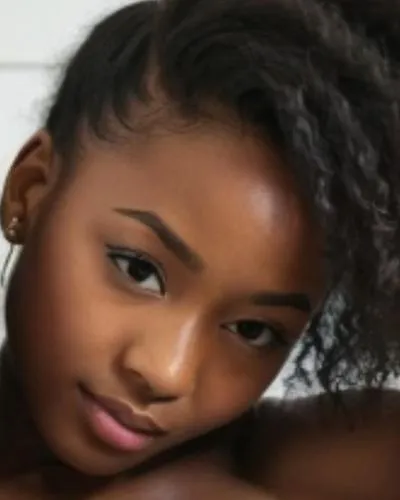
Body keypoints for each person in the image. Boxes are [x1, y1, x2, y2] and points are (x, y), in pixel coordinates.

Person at [1, 0, 400, 497]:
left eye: (253, 330)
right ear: (30, 189)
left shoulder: (278, 470)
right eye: (139, 270)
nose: (167, 371)